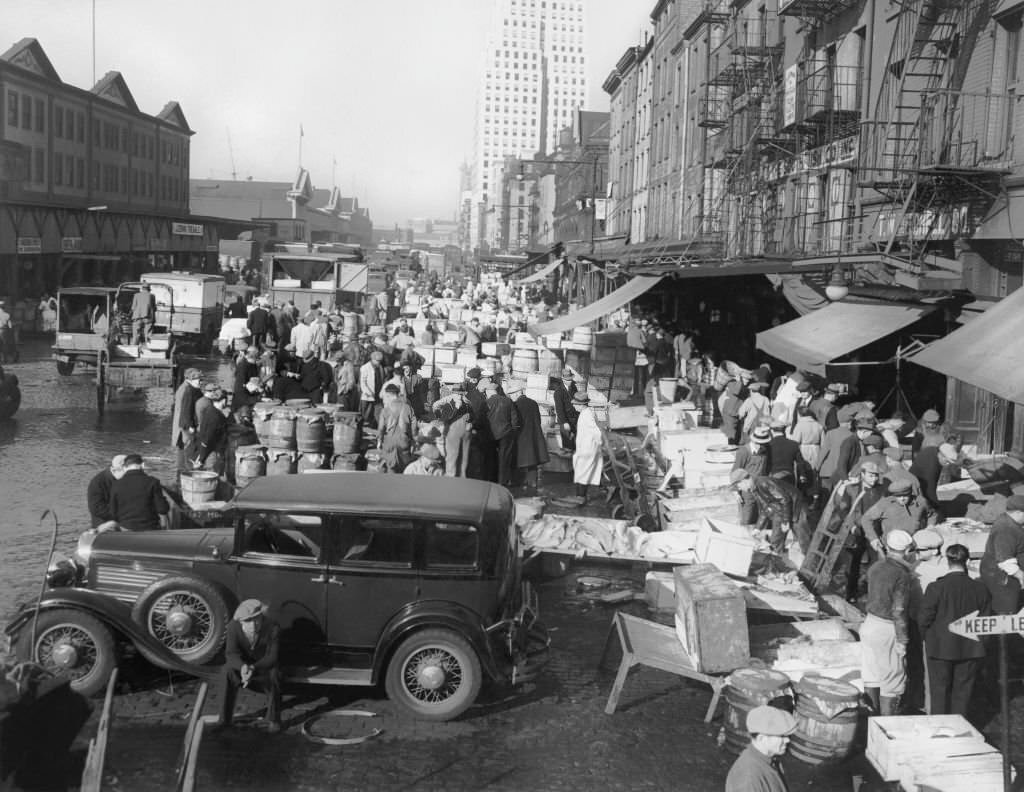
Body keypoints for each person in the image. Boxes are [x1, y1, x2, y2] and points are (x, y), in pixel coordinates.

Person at [919, 543, 991, 717]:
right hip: (971, 648)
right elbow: (986, 623)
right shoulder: (980, 588)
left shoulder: (936, 588)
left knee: (939, 692)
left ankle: (940, 729)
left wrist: (927, 638)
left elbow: (923, 619)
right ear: (966, 560)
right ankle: (960, 729)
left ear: (947, 560)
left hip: (940, 648)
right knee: (963, 694)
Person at [861, 529, 916, 715]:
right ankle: (888, 724)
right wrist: (902, 640)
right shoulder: (902, 575)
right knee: (893, 678)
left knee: (871, 675)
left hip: (869, 623)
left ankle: (870, 722)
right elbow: (899, 610)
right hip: (887, 628)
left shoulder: (875, 567)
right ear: (908, 551)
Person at [216, 599, 281, 733]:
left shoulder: (273, 627)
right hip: (244, 668)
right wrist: (243, 667)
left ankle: (274, 719)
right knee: (227, 672)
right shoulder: (233, 627)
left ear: (261, 617)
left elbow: (272, 656)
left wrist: (254, 668)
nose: (252, 624)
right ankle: (224, 720)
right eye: (247, 621)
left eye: (256, 619)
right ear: (240, 621)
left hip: (263, 668)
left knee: (275, 674)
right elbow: (231, 654)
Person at [729, 468, 810, 555]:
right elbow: (765, 509)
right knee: (776, 540)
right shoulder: (755, 489)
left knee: (802, 537)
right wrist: (757, 528)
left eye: (739, 486)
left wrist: (785, 521)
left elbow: (784, 499)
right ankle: (781, 561)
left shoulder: (763, 483)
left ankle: (811, 563)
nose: (740, 489)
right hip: (781, 509)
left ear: (744, 480)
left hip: (796, 506)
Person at [724, 705, 798, 792]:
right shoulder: (748, 779)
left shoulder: (769, 759)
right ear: (761, 738)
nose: (787, 740)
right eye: (781, 736)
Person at [860, 479, 938, 552]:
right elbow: (866, 519)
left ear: (910, 493)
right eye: (898, 496)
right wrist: (873, 538)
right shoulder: (885, 504)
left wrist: (930, 527)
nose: (902, 499)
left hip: (913, 549)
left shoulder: (921, 502)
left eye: (905, 496)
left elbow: (932, 514)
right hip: (890, 550)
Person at [979, 493, 1024, 614]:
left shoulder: (1009, 521)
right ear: (1019, 512)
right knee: (1006, 612)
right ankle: (1004, 633)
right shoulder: (1006, 529)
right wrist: (1021, 576)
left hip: (1003, 576)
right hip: (1002, 578)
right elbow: (1005, 561)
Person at [108, 454, 169, 531]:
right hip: (150, 529)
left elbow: (112, 513)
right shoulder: (153, 482)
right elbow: (162, 509)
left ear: (125, 467)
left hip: (125, 530)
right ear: (143, 465)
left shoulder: (116, 485)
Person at [508, 379, 549, 493]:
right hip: (534, 435)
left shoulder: (515, 405)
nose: (511, 396)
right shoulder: (533, 403)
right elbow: (539, 420)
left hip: (521, 435)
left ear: (517, 393)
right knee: (533, 460)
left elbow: (515, 422)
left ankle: (518, 482)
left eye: (511, 394)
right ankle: (533, 482)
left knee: (518, 459)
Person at [732, 426, 772, 524]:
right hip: (747, 491)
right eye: (759, 443)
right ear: (754, 441)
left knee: (761, 519)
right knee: (747, 518)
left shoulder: (766, 450)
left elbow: (767, 469)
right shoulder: (743, 452)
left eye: (763, 443)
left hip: (761, 489)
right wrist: (735, 492)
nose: (761, 446)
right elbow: (735, 472)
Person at [909, 442, 960, 517]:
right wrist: (937, 507)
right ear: (942, 456)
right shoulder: (932, 467)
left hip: (920, 479)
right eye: (947, 461)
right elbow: (930, 490)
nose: (948, 464)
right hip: (914, 485)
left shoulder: (933, 450)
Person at [486, 378, 520, 488]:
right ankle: (503, 481)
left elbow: (482, 420)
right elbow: (515, 420)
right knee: (504, 458)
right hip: (506, 434)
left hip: (491, 435)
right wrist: (513, 432)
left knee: (491, 457)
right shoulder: (508, 401)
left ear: (489, 392)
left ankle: (492, 480)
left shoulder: (486, 403)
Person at [378, 383, 417, 473]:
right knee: (404, 469)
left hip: (389, 442)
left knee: (391, 469)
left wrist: (379, 441)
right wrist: (414, 442)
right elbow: (414, 429)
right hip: (404, 442)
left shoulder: (386, 410)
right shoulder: (408, 408)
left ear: (388, 395)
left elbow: (381, 429)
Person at [571, 391, 602, 504]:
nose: (574, 406)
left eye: (575, 404)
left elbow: (597, 432)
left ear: (581, 405)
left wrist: (600, 444)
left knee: (582, 473)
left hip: (587, 449)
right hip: (584, 447)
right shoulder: (586, 413)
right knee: (581, 472)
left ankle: (581, 497)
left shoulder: (587, 415)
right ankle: (580, 495)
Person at [171, 368, 203, 475]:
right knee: (188, 448)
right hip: (185, 425)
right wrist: (190, 425)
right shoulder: (187, 390)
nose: (201, 382)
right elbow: (185, 409)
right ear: (190, 379)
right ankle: (187, 472)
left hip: (182, 424)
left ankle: (181, 472)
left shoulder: (188, 388)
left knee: (182, 448)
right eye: (199, 379)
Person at [86, 455, 126, 529]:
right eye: (125, 472)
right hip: (104, 526)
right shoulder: (98, 483)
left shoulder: (126, 480)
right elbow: (96, 508)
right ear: (114, 470)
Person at [195, 389, 229, 473]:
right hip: (213, 453)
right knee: (213, 476)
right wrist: (201, 459)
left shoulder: (209, 410)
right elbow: (208, 438)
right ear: (224, 400)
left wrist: (201, 456)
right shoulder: (217, 417)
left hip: (206, 450)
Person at [551, 369, 579, 451]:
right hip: (565, 420)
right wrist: (564, 422)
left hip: (574, 419)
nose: (570, 381)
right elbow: (559, 409)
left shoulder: (574, 387)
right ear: (563, 379)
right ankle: (567, 460)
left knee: (575, 444)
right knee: (567, 444)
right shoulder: (558, 392)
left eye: (571, 379)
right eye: (568, 380)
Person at [358, 349, 386, 429]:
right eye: (377, 361)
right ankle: (363, 428)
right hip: (368, 395)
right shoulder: (365, 368)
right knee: (365, 413)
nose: (379, 362)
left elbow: (382, 380)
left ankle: (375, 427)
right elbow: (362, 382)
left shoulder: (380, 367)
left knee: (378, 413)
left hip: (378, 394)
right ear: (372, 359)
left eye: (380, 361)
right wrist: (368, 392)